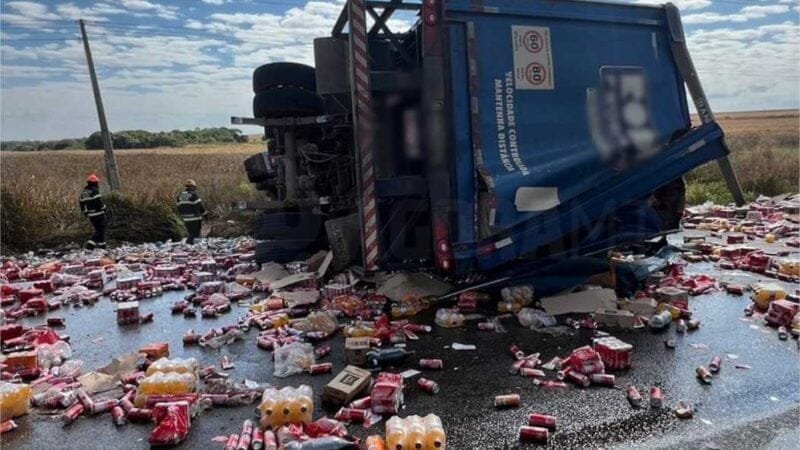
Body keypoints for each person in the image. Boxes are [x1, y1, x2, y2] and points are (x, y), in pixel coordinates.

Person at [79, 174, 106, 249]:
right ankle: (90, 244)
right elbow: (98, 202)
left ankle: (102, 247)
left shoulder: (84, 192)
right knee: (100, 230)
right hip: (99, 214)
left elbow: (81, 203)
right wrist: (104, 207)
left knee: (99, 230)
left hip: (91, 215)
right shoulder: (95, 191)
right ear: (95, 183)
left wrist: (84, 212)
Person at [177, 179, 207, 244]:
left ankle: (188, 246)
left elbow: (178, 207)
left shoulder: (180, 195)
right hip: (195, 218)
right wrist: (206, 215)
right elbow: (200, 207)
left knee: (190, 233)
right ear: (193, 187)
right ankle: (190, 246)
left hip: (186, 219)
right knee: (195, 235)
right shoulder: (194, 195)